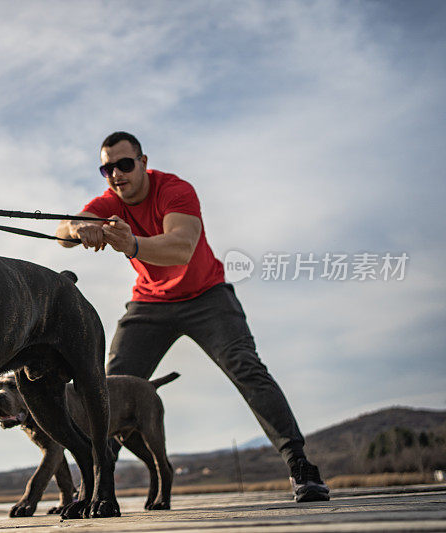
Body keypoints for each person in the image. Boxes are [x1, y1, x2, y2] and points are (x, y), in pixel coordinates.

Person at [55, 131, 330, 502]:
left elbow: (182, 247)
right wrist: (78, 227)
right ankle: (98, 482)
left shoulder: (175, 190)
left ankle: (300, 466)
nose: (116, 174)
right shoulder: (108, 202)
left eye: (124, 164)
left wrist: (132, 244)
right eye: (106, 168)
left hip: (206, 296)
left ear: (143, 163)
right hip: (149, 304)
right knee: (110, 387)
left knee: (246, 367)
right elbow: (62, 232)